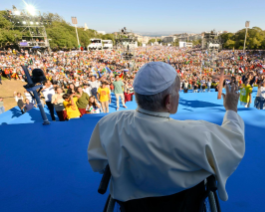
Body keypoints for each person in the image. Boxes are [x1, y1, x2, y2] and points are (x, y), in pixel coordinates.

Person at [88, 62, 245, 211]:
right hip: (185, 205)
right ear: (169, 100)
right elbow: (233, 142)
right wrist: (231, 109)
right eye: (177, 91)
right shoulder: (197, 133)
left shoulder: (109, 124)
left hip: (132, 207)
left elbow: (99, 164)